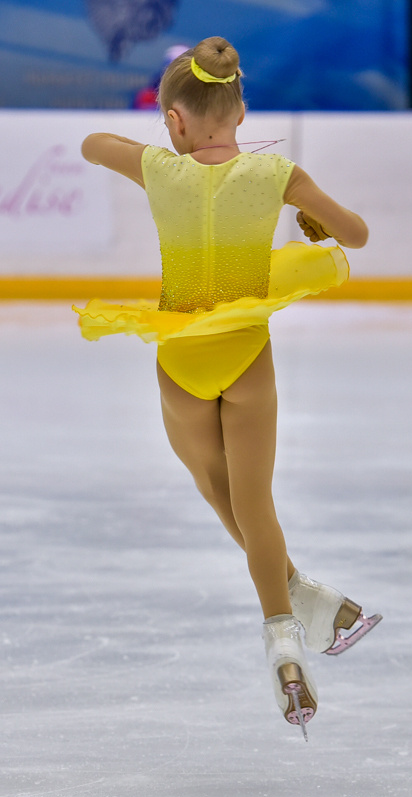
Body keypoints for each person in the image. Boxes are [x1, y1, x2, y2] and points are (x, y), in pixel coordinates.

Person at [75, 36, 381, 740]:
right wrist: (310, 216)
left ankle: (305, 595)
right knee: (254, 501)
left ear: (174, 121)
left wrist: (157, 146)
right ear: (240, 109)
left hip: (183, 358)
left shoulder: (156, 167)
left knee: (215, 491)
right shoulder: (276, 173)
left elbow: (93, 143)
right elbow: (356, 236)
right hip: (246, 356)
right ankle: (287, 628)